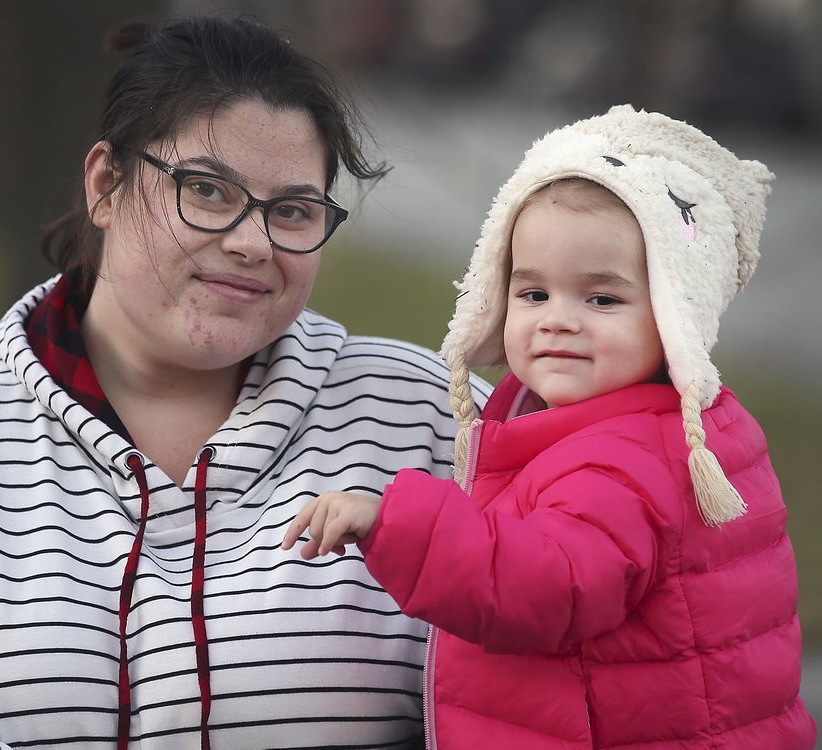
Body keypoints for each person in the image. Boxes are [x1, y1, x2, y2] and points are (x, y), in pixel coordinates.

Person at [0, 16, 489, 750]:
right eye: (207, 191)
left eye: (293, 210)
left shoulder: (426, 416)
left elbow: (575, 631)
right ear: (106, 184)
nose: (250, 242)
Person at [284, 105, 817, 748]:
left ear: (677, 313)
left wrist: (390, 520)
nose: (558, 319)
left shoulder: (625, 460)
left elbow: (545, 585)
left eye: (602, 298)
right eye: (533, 293)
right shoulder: (641, 424)